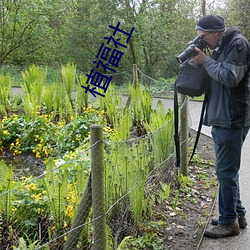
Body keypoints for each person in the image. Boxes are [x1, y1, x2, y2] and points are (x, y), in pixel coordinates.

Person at [192, 15, 250, 238]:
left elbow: (229, 77)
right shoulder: (221, 46)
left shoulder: (238, 44)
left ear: (216, 32)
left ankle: (228, 223)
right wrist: (202, 59)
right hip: (222, 117)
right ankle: (237, 214)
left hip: (232, 118)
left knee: (225, 171)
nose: (203, 41)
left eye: (204, 37)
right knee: (227, 171)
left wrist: (205, 61)